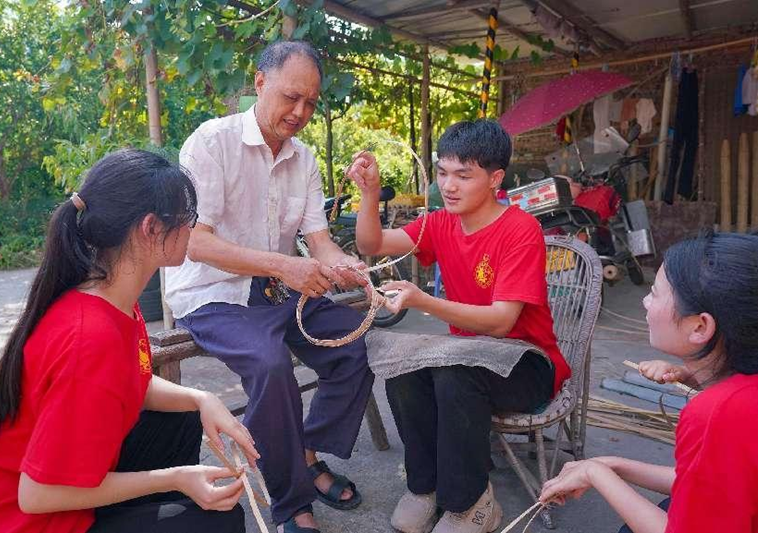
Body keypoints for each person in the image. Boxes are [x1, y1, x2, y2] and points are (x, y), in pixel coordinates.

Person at [0, 149, 256, 533]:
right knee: (220, 523)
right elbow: (36, 494)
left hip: (32, 488)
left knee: (181, 418)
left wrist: (203, 399)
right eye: (188, 219)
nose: (192, 229)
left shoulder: (109, 299)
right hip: (19, 518)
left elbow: (132, 382)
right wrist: (175, 477)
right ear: (150, 228)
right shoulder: (91, 338)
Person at [165, 40, 373, 533]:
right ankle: (290, 502)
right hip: (211, 293)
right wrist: (283, 266)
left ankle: (303, 453)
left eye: (310, 103)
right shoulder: (210, 143)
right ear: (259, 84)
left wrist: (349, 267)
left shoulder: (304, 159)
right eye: (290, 97)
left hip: (276, 291)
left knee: (354, 342)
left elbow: (318, 241)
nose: (299, 112)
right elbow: (196, 242)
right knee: (271, 364)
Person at [348, 119, 571, 533]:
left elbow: (504, 323)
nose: (448, 186)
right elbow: (372, 245)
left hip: (529, 363)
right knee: (404, 369)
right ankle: (424, 488)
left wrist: (424, 300)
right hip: (467, 354)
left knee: (453, 378)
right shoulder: (439, 222)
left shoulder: (520, 229)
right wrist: (369, 193)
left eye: (464, 176)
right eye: (443, 173)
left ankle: (471, 504)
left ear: (495, 179)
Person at [539, 231, 758, 533]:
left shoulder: (717, 414)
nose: (643, 301)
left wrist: (595, 473)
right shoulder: (739, 392)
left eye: (655, 293)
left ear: (699, 326)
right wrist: (613, 466)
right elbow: (706, 485)